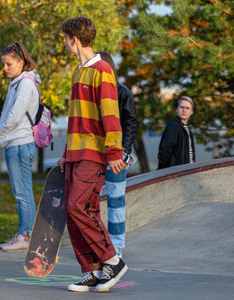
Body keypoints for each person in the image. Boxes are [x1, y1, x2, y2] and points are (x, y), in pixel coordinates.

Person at [58, 17, 128, 293]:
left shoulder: (103, 70)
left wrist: (114, 151)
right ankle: (92, 270)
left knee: (78, 206)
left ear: (74, 39)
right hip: (75, 153)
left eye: (65, 38)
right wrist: (65, 152)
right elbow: (75, 119)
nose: (64, 43)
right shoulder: (78, 73)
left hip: (94, 153)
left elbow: (111, 115)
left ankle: (113, 260)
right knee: (76, 211)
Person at [0, 42, 40, 251]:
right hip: (15, 143)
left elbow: (14, 116)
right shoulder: (16, 82)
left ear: (21, 62)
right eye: (4, 64)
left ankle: (26, 236)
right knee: (20, 192)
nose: (5, 68)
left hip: (20, 143)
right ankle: (23, 232)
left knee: (23, 193)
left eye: (8, 64)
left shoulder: (26, 84)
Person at [98, 51, 137, 259]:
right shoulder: (93, 93)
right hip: (95, 153)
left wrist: (124, 152)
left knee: (116, 200)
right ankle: (96, 244)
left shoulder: (122, 92)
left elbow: (130, 124)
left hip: (117, 156)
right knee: (89, 202)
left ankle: (117, 246)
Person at [158, 96, 196, 169]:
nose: (184, 110)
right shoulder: (173, 126)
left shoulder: (186, 129)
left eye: (187, 108)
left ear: (191, 112)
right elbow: (164, 151)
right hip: (175, 172)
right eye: (181, 107)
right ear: (177, 109)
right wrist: (167, 170)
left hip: (186, 171)